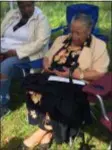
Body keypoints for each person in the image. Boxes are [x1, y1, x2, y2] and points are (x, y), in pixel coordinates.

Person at [20, 13, 110, 149]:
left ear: (89, 31)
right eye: (72, 31)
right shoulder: (61, 39)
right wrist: (46, 64)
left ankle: (40, 133)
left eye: (78, 33)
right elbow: (47, 56)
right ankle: (48, 133)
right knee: (29, 82)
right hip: (53, 75)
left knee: (58, 94)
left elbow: (100, 73)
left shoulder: (98, 46)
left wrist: (75, 74)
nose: (73, 36)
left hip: (76, 81)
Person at [0, 1, 51, 118]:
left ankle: (3, 104)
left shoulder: (41, 19)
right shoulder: (13, 14)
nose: (26, 9)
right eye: (22, 6)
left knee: (5, 67)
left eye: (29, 5)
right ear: (18, 6)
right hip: (4, 50)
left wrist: (15, 53)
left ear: (34, 3)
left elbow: (40, 43)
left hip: (26, 56)